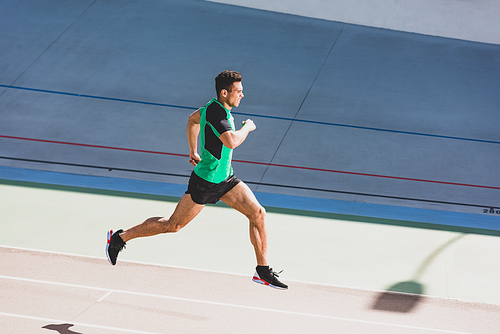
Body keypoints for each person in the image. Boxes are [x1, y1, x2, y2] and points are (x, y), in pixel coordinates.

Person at [106, 70, 287, 290]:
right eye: (238, 91)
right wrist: (247, 127)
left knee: (257, 213)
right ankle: (120, 238)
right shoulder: (215, 112)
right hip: (206, 182)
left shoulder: (213, 108)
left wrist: (193, 149)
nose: (242, 95)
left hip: (226, 179)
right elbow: (230, 141)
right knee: (173, 225)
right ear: (224, 92)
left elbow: (192, 120)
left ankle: (262, 270)